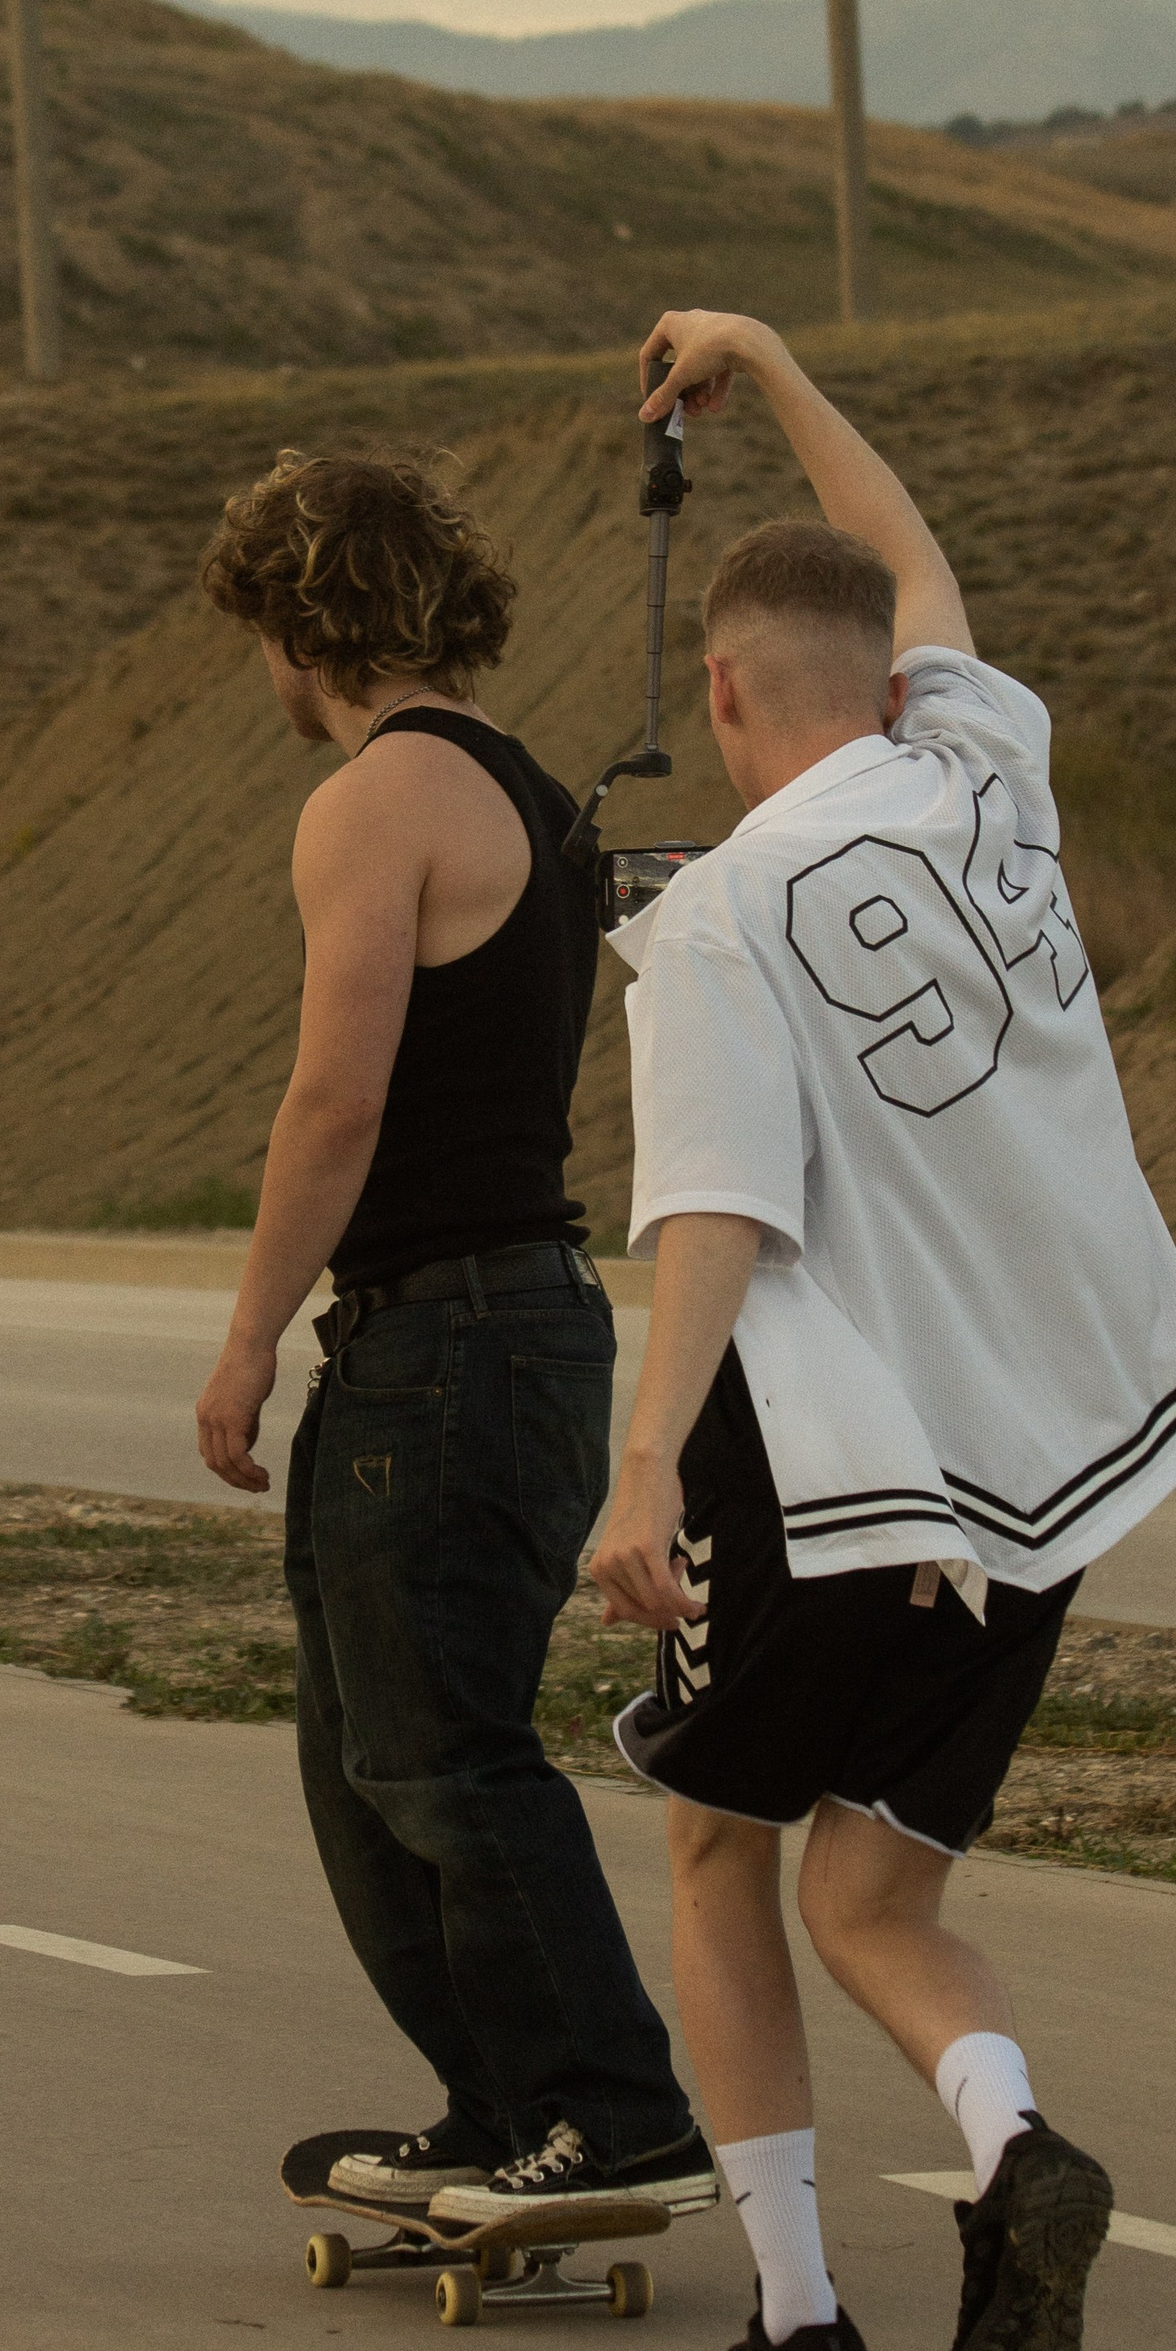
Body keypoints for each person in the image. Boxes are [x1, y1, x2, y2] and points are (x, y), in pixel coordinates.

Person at [588, 310, 1176, 2351]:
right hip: (1060, 1456)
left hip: (847, 1475)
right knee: (874, 1891)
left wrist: (641, 1470)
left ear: (717, 692)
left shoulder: (715, 921)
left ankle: (795, 2324)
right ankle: (1012, 2146)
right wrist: (768, 366)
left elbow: (711, 1213)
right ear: (883, 683)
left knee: (716, 1850)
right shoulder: (979, 768)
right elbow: (916, 561)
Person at [193, 446, 716, 2226]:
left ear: (299, 623)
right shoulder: (524, 788)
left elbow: (335, 1100)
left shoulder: (377, 800)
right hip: (498, 1334)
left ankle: (613, 2110)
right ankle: (503, 2109)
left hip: (452, 1340)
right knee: (372, 1765)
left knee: (440, 1756)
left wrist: (247, 1339)